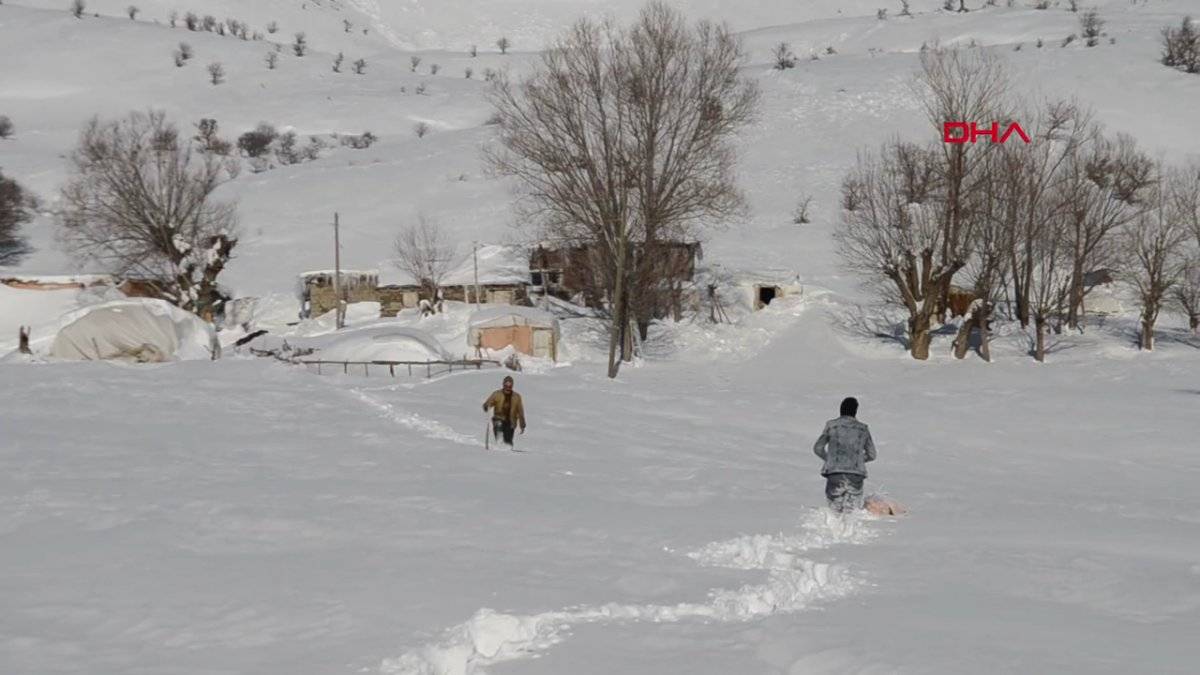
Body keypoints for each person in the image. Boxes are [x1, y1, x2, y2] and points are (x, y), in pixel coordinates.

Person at [812, 397, 876, 512]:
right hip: (856, 474)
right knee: (852, 510)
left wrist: (830, 459)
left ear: (841, 409)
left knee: (835, 508)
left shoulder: (831, 425)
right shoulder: (863, 429)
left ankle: (835, 528)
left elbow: (818, 448)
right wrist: (858, 459)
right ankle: (851, 528)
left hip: (835, 472)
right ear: (855, 411)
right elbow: (872, 454)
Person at [483, 375, 526, 447]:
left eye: (510, 385)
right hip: (498, 418)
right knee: (499, 433)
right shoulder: (497, 394)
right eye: (506, 385)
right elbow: (489, 402)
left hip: (511, 422)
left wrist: (522, 424)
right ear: (504, 385)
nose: (508, 387)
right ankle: (499, 444)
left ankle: (507, 451)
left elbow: (520, 412)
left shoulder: (516, 397)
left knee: (508, 442)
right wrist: (486, 406)